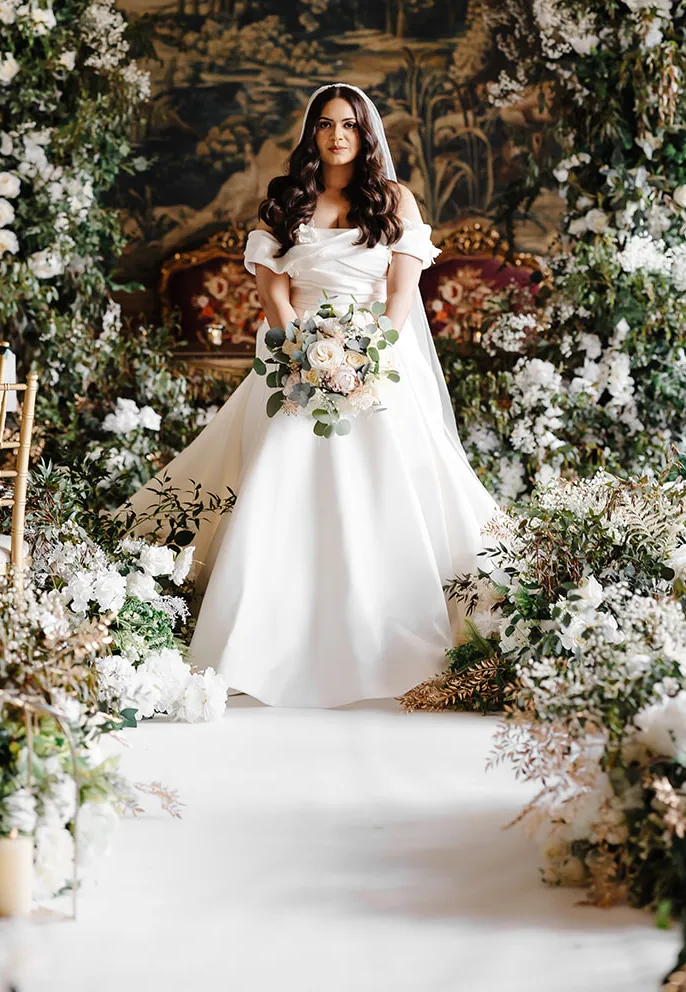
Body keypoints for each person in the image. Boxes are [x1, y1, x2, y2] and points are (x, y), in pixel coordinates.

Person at [121, 83, 496, 708]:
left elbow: (401, 296)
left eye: (348, 124)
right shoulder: (286, 203)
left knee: (389, 482)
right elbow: (272, 295)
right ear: (311, 134)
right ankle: (257, 641)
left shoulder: (395, 201)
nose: (337, 134)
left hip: (377, 353)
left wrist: (364, 355)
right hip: (295, 352)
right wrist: (302, 351)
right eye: (325, 124)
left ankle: (388, 639)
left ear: (366, 134)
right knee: (282, 474)